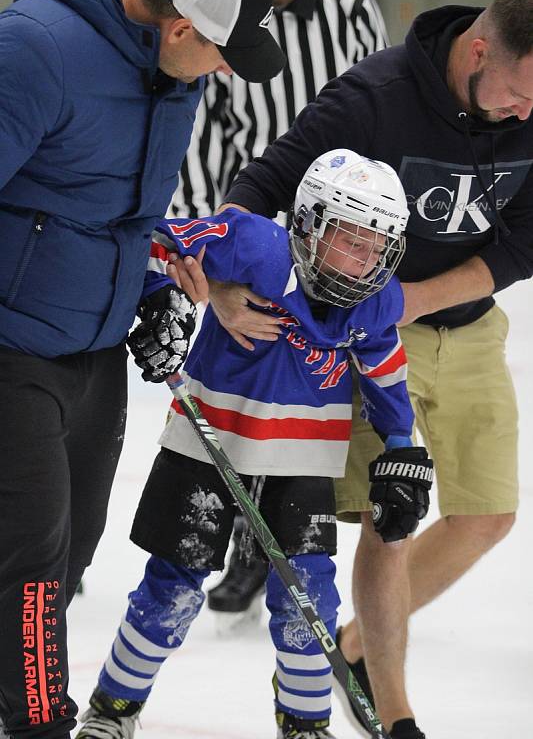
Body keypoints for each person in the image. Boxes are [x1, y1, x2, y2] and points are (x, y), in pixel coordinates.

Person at [204, 0, 533, 738]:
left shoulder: (528, 103)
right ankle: (395, 715)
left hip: (467, 323)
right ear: (478, 52)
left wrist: (417, 297)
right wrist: (224, 278)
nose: (522, 114)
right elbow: (262, 182)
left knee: (487, 516)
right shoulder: (372, 99)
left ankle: (355, 647)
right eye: (517, 96)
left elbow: (520, 242)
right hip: (367, 338)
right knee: (393, 518)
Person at [0, 0, 286, 738]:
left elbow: (117, 209)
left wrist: (154, 288)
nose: (226, 74)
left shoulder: (171, 74)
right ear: (182, 27)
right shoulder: (37, 49)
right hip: (10, 343)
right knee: (29, 560)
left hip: (90, 346)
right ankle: (37, 725)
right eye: (223, 55)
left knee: (71, 554)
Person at [75, 150, 433, 739]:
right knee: (172, 589)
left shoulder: (374, 299)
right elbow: (154, 241)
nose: (367, 259)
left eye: (379, 245)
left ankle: (305, 721)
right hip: (209, 440)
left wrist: (402, 447)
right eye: (353, 240)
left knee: (307, 605)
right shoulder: (256, 245)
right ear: (313, 222)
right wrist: (161, 295)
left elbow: (385, 367)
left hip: (303, 458)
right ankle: (113, 710)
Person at [171, 0, 389, 629]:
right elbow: (213, 134)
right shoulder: (227, 11)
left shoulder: (351, 8)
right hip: (260, 230)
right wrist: (214, 262)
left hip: (341, 239)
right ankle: (245, 542)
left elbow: (383, 103)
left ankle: (287, 543)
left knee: (312, 394)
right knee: (248, 390)